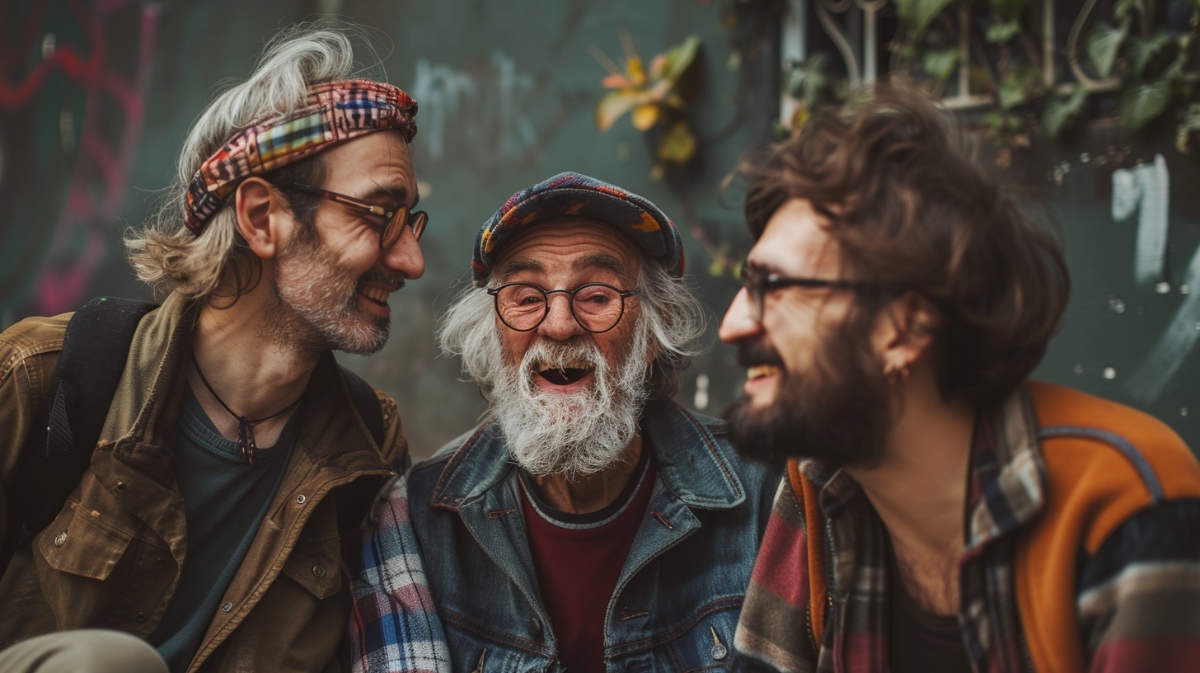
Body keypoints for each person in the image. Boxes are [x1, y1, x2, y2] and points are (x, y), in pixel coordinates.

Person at [0, 26, 445, 673]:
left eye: (412, 220)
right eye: (378, 213)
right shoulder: (42, 378)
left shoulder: (369, 447)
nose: (413, 260)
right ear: (262, 217)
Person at [719, 86, 1200, 673]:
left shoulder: (1126, 502)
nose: (733, 324)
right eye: (746, 286)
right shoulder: (817, 485)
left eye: (774, 287)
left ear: (904, 326)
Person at [352, 172, 778, 671]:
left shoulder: (767, 494)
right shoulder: (417, 522)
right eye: (527, 297)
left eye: (597, 296)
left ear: (652, 335)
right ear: (493, 335)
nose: (558, 325)